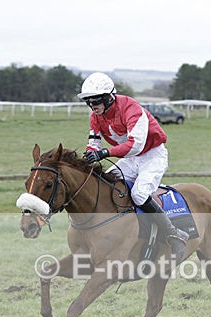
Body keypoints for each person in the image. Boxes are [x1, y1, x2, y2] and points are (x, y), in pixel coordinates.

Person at [78, 72, 188, 258]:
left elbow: (135, 145)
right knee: (105, 184)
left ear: (108, 98)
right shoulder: (95, 116)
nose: (92, 106)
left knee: (138, 194)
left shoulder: (131, 108)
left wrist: (105, 153)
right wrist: (89, 154)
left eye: (95, 101)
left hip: (152, 155)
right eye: (88, 102)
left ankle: (174, 234)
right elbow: (94, 143)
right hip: (130, 159)